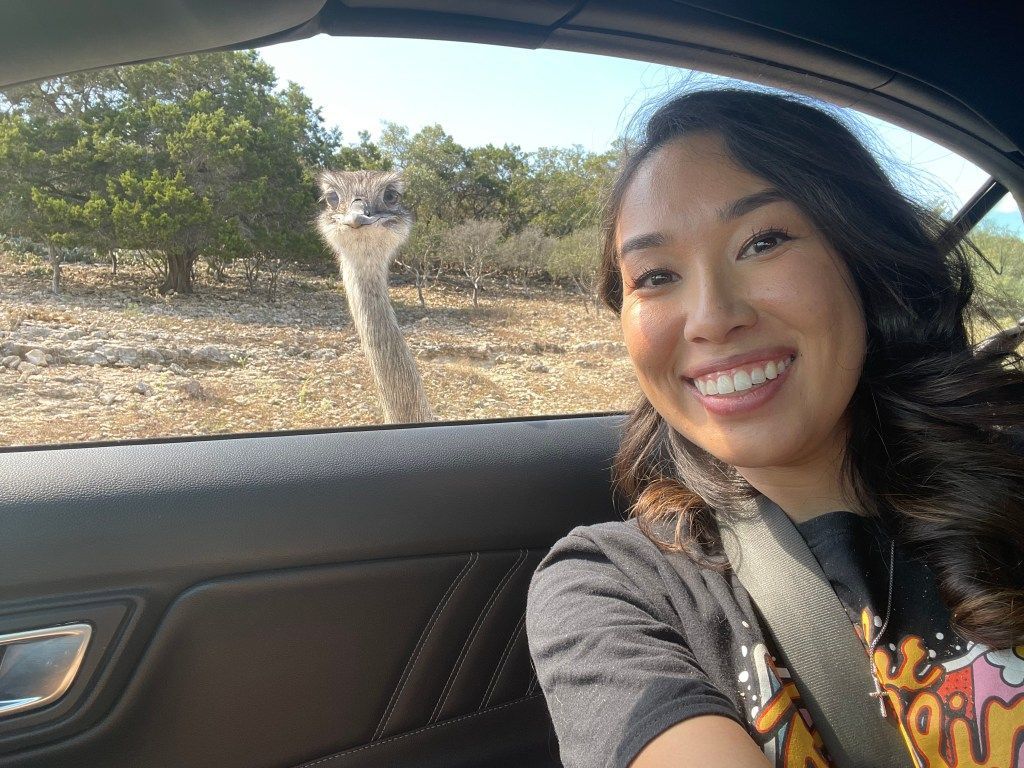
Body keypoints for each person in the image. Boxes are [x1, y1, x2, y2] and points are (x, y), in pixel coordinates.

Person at [526, 88, 1024, 768]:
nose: (709, 316)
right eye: (657, 275)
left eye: (763, 241)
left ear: (863, 263)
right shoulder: (615, 589)